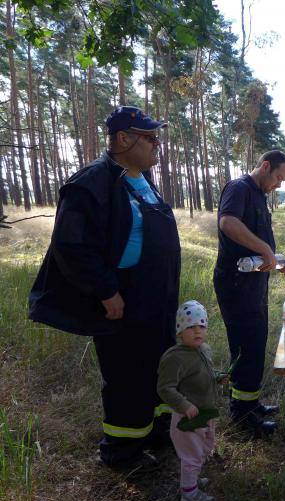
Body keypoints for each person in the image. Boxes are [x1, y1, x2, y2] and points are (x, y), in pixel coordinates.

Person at [29, 106, 179, 468]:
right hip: (123, 296)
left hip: (156, 295)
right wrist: (106, 291)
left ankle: (155, 432)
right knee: (128, 373)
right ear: (123, 139)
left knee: (157, 364)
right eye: (149, 137)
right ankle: (122, 453)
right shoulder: (90, 182)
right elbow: (70, 245)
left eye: (157, 137)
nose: (157, 144)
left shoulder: (141, 178)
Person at [213, 150, 285, 436]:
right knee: (245, 347)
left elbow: (258, 240)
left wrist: (275, 260)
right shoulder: (239, 188)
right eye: (278, 178)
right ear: (265, 166)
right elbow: (228, 223)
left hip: (254, 283)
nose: (278, 185)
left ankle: (251, 404)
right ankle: (242, 417)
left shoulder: (258, 195)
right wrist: (264, 249)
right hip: (236, 284)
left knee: (256, 344)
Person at [157, 300, 226, 501]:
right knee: (192, 456)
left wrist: (217, 378)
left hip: (205, 413)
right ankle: (189, 496)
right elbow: (165, 388)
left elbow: (202, 374)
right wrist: (184, 405)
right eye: (191, 327)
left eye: (202, 326)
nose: (197, 331)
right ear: (180, 331)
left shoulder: (202, 350)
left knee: (204, 448)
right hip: (187, 418)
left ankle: (191, 481)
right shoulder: (175, 357)